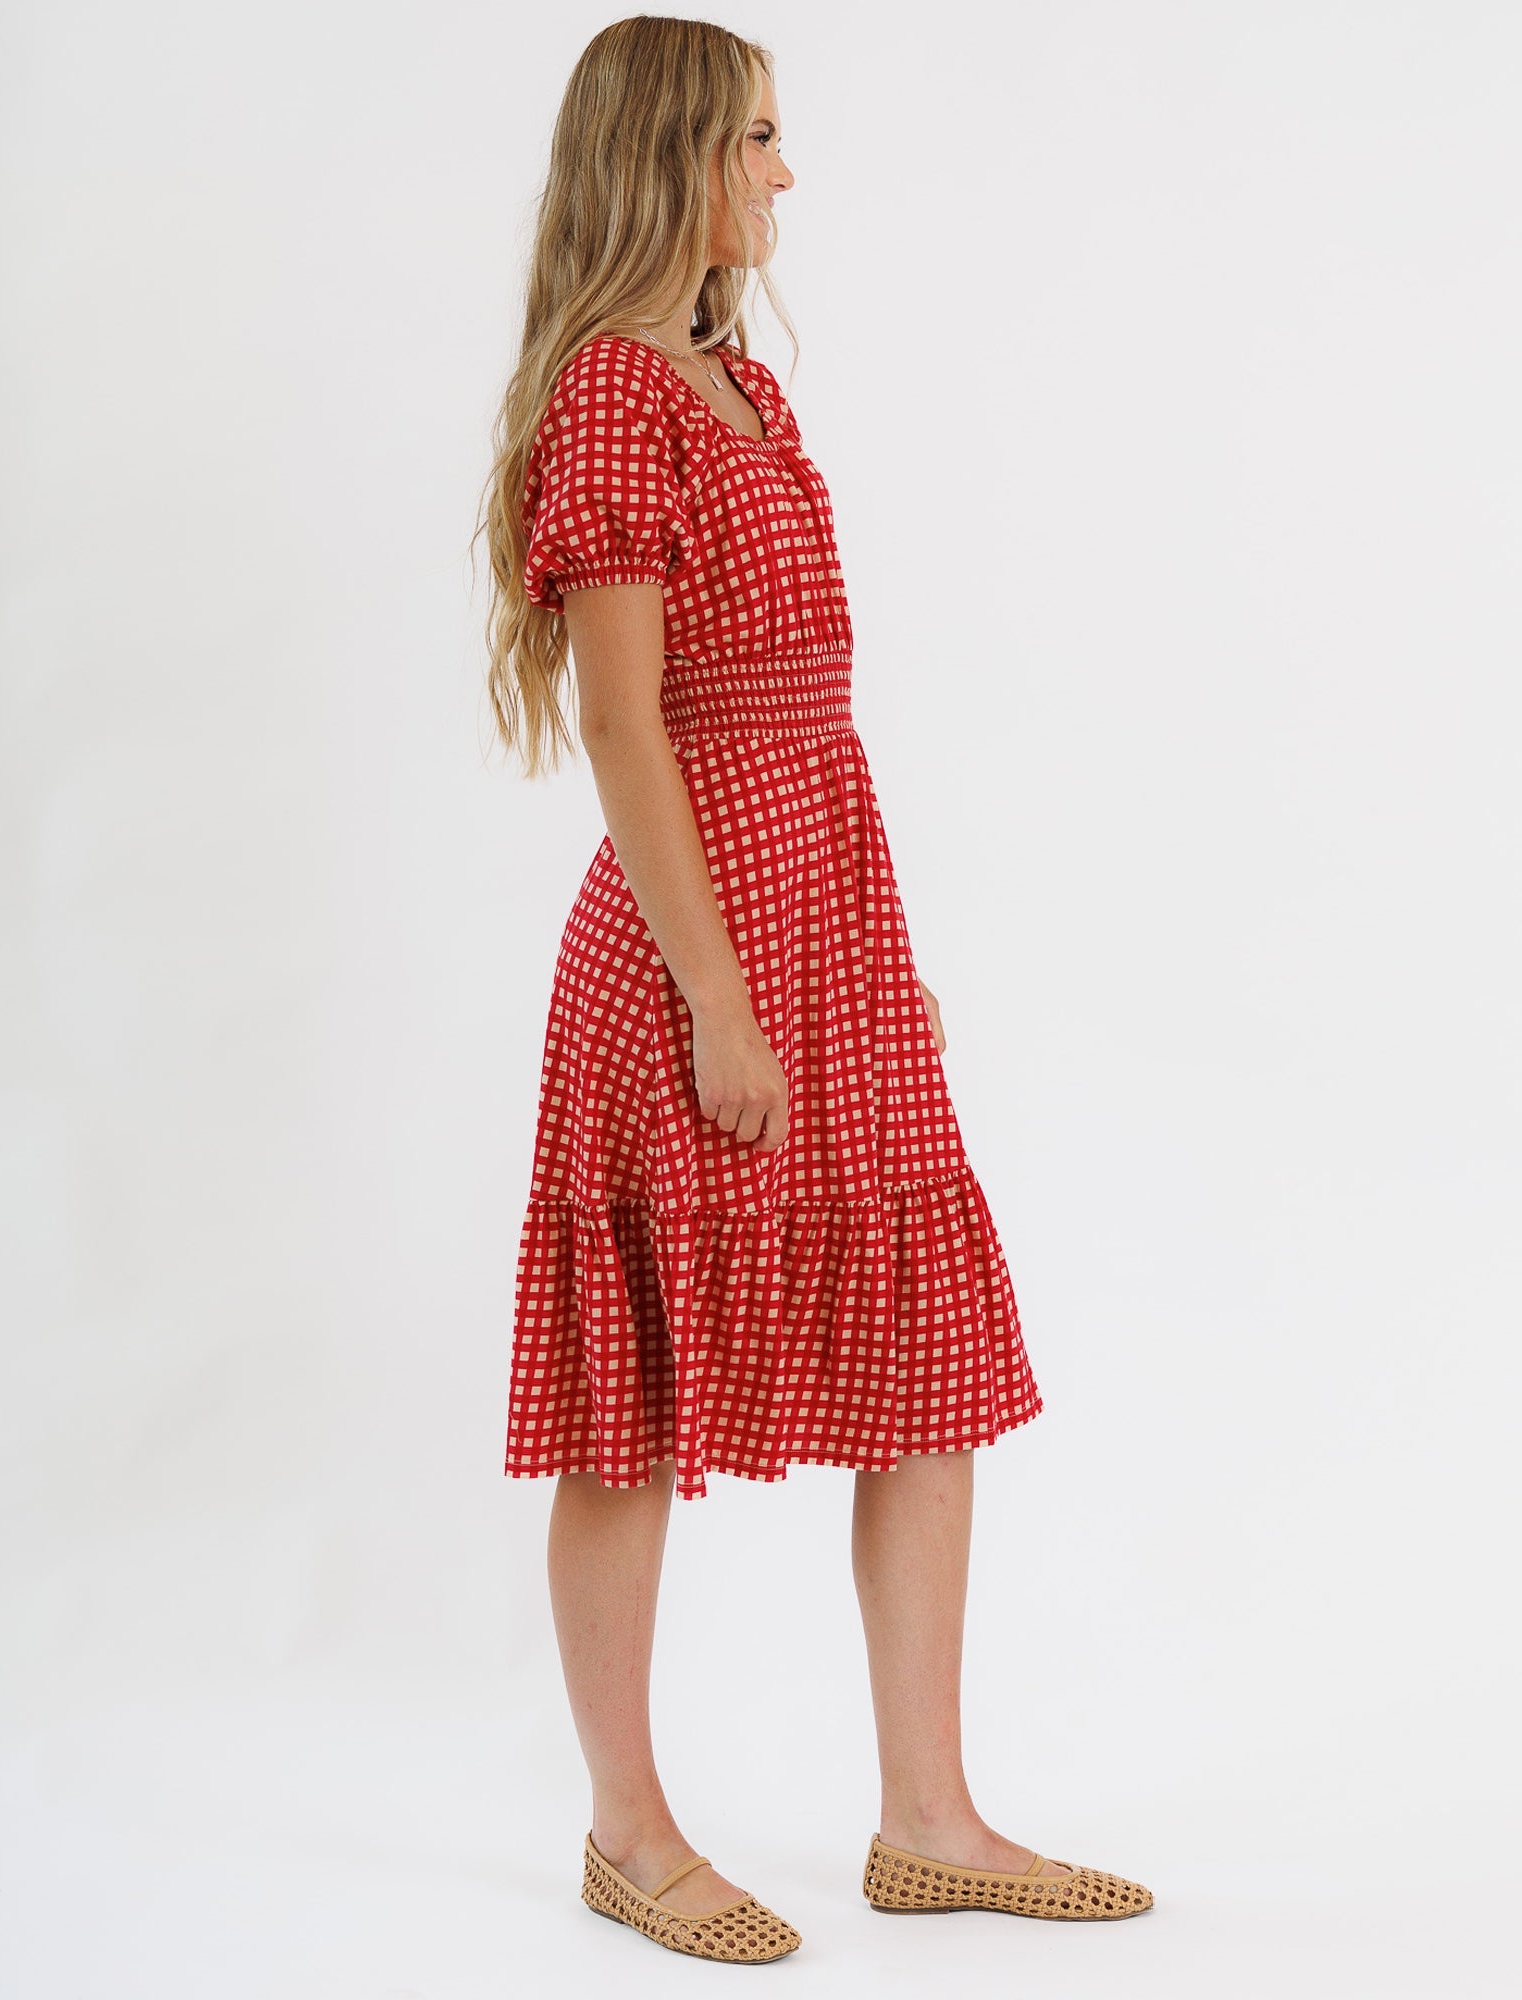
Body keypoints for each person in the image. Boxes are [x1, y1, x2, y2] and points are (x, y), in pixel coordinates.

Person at [476, 16, 1153, 1965]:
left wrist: (885, 961)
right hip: (695, 949)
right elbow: (622, 725)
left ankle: (927, 1815)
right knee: (637, 1405)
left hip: (824, 926)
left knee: (926, 1353)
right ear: (671, 158)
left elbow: (810, 731)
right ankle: (623, 1826)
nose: (784, 176)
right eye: (755, 141)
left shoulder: (737, 389)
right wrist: (713, 993)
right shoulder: (615, 397)